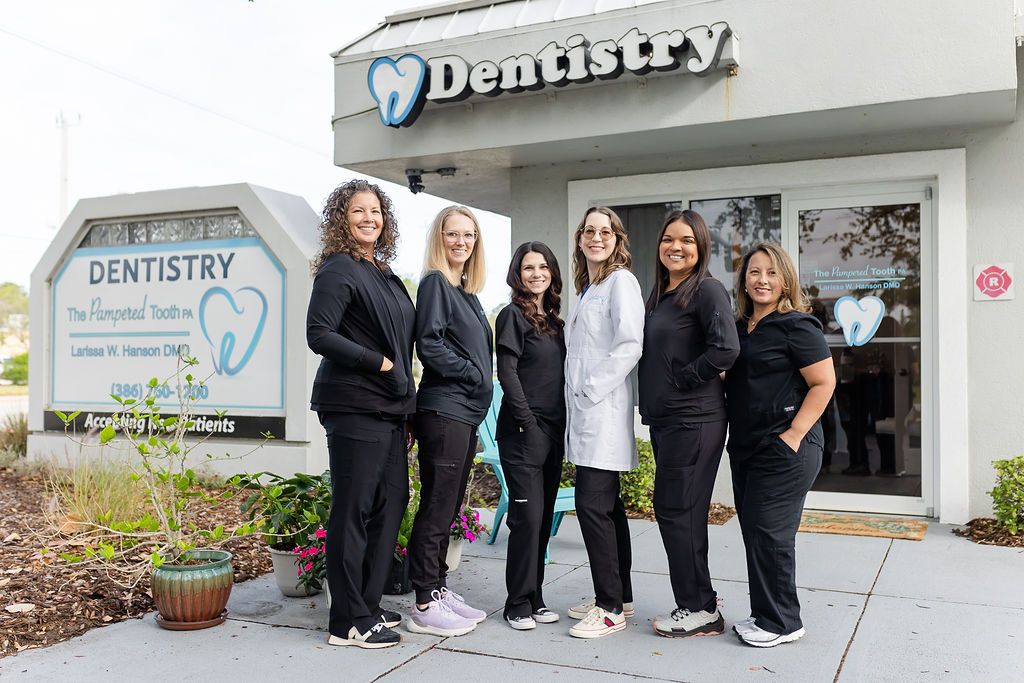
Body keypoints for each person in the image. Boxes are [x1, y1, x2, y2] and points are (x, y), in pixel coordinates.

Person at [306, 179, 416, 649]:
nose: (369, 218)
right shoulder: (338, 269)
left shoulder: (381, 272)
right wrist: (382, 363)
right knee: (353, 511)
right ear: (342, 219)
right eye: (358, 211)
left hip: (390, 410)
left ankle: (366, 604)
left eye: (376, 211)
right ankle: (346, 620)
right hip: (354, 406)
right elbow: (319, 333)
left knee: (390, 505)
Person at [725, 242, 836, 648]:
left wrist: (792, 435)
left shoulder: (797, 325)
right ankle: (765, 614)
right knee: (755, 532)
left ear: (785, 278)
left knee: (771, 534)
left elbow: (824, 383)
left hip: (787, 446)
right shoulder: (741, 328)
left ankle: (784, 623)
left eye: (771, 273)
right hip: (748, 447)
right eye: (754, 272)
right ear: (744, 280)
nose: (762, 280)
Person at [638, 210, 739, 638]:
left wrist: (683, 378)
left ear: (701, 248)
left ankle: (697, 607)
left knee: (676, 509)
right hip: (668, 422)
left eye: (686, 241)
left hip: (695, 420)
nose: (675, 247)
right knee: (685, 511)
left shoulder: (708, 290)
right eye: (668, 239)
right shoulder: (661, 294)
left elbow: (726, 350)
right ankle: (701, 600)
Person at [407, 206, 493, 637]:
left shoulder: (466, 292)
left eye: (469, 235)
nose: (461, 242)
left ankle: (438, 588)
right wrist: (473, 373)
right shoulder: (436, 283)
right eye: (452, 234)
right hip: (444, 411)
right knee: (438, 507)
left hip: (464, 413)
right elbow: (430, 344)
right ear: (439, 238)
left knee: (449, 506)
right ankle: (423, 602)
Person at [564, 206, 645, 639]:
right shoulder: (588, 288)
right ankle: (620, 597)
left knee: (592, 507)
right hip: (587, 415)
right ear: (580, 240)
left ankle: (609, 607)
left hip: (602, 411)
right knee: (609, 510)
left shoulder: (621, 283)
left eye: (606, 231)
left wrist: (589, 389)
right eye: (590, 231)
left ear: (617, 240)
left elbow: (630, 344)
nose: (597, 237)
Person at [495, 242, 566, 631]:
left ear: (552, 272)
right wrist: (529, 425)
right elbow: (508, 374)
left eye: (542, 267)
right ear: (517, 275)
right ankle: (516, 603)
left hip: (553, 433)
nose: (536, 274)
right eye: (528, 268)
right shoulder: (511, 316)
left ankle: (536, 597)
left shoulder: (555, 323)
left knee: (541, 521)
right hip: (523, 433)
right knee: (527, 517)